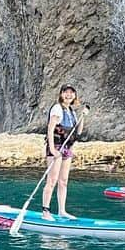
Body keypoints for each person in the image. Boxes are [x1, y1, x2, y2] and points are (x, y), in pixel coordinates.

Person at [41, 84, 79, 219]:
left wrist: (83, 117)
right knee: (52, 180)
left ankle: (62, 210)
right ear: (61, 94)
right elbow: (50, 129)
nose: (68, 95)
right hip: (56, 147)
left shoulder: (72, 112)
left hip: (67, 149)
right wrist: (52, 149)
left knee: (63, 181)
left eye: (71, 93)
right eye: (66, 92)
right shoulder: (57, 108)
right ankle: (45, 211)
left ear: (74, 95)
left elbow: (77, 132)